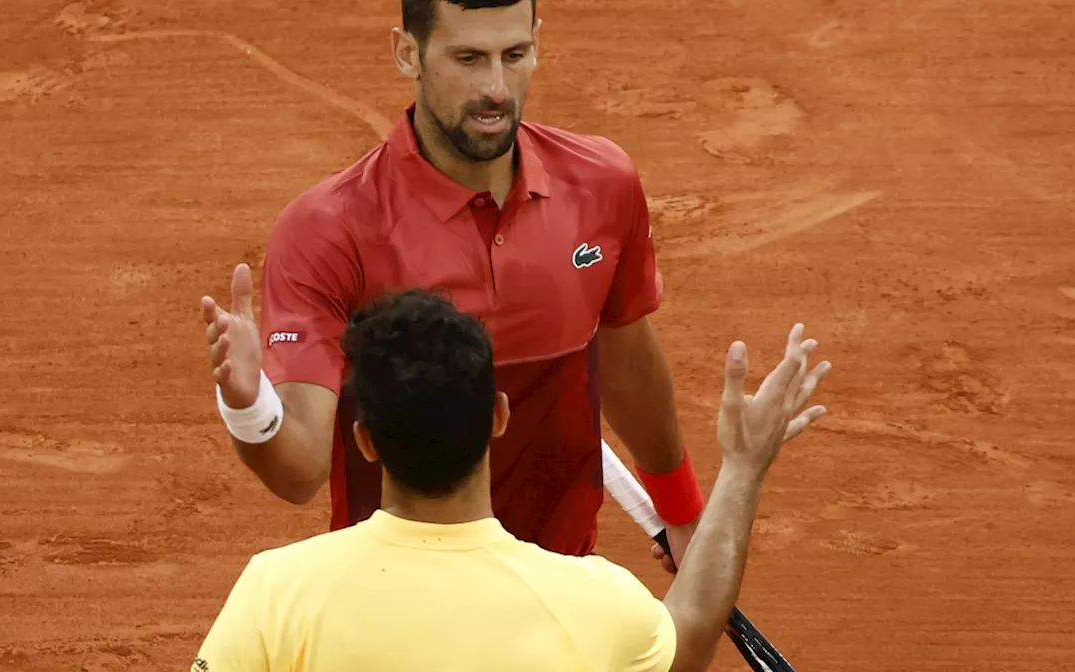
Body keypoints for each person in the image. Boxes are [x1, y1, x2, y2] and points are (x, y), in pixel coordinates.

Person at [199, 0, 832, 564]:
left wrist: (681, 510)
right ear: (407, 54)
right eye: (469, 58)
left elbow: (625, 363)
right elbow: (300, 471)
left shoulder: (602, 183)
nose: (496, 88)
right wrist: (249, 403)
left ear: (538, 40)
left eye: (515, 54)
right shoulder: (329, 230)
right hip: (401, 596)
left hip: (556, 587)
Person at [191, 289, 830, 672]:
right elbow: (689, 633)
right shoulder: (591, 602)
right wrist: (743, 468)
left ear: (363, 442)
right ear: (498, 416)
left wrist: (251, 408)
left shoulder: (275, 591)